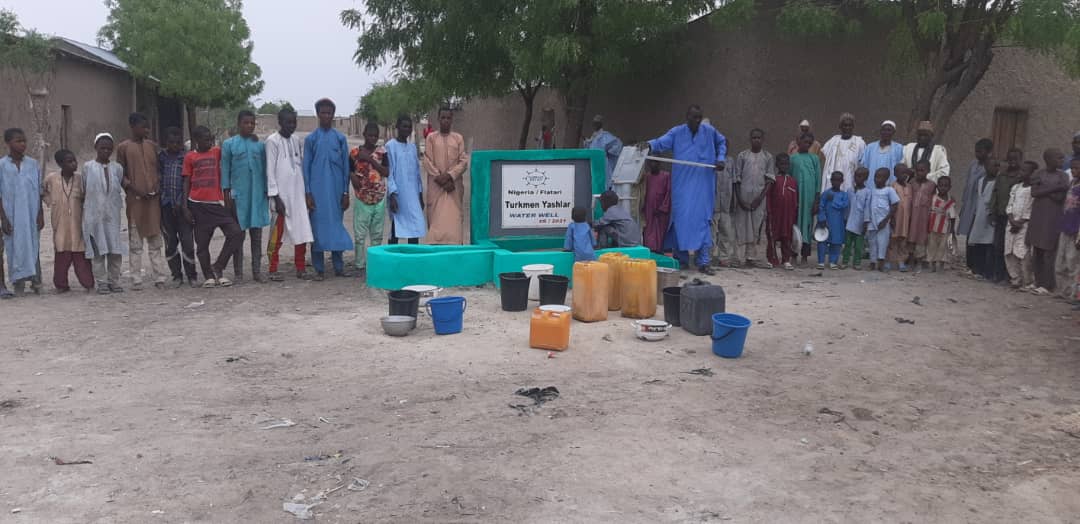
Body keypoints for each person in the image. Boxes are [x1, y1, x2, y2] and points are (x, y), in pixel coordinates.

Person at [644, 104, 727, 274]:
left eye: (699, 117)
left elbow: (722, 142)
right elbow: (661, 143)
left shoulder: (709, 131)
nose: (697, 121)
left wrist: (720, 158)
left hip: (703, 184)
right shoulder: (677, 132)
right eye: (694, 117)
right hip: (682, 185)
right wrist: (648, 145)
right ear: (687, 117)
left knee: (703, 221)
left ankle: (703, 262)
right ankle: (681, 259)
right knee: (680, 221)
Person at [182, 126, 242, 288]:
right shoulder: (190, 157)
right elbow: (186, 182)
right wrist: (185, 207)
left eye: (211, 139)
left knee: (236, 233)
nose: (210, 142)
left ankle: (218, 266)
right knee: (202, 244)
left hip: (217, 203)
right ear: (196, 141)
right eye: (206, 139)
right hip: (197, 204)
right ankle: (208, 275)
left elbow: (230, 156)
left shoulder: (216, 152)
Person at [303, 98, 354, 280]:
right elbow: (306, 168)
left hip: (336, 192)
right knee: (317, 229)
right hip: (317, 193)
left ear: (333, 115)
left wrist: (345, 192)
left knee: (336, 227)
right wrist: (308, 193)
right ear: (318, 114)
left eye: (329, 113)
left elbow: (346, 168)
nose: (326, 116)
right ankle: (319, 269)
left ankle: (338, 266)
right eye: (323, 113)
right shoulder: (311, 139)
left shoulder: (340, 139)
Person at [116, 112, 168, 290]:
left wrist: (158, 185)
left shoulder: (152, 146)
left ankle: (160, 277)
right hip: (135, 201)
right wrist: (134, 188)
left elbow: (159, 170)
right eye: (143, 127)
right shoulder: (123, 148)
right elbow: (121, 174)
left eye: (148, 127)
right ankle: (136, 278)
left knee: (155, 241)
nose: (147, 130)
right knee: (135, 242)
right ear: (133, 127)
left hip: (153, 201)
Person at [221, 109, 270, 283]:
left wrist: (266, 192)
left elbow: (265, 170)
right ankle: (238, 273)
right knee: (238, 236)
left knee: (257, 236)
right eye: (246, 123)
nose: (249, 126)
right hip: (238, 197)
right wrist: (226, 194)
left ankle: (257, 271)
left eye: (252, 123)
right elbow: (225, 170)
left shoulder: (260, 146)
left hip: (257, 196)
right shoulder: (229, 144)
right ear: (238, 124)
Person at [266, 107, 314, 281]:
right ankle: (272, 269)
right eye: (288, 122)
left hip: (297, 193)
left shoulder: (296, 139)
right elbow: (270, 170)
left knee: (302, 231)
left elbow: (299, 165)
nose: (292, 126)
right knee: (276, 234)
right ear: (280, 122)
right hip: (281, 196)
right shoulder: (272, 141)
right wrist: (275, 197)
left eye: (294, 122)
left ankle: (300, 267)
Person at [42, 149, 93, 293]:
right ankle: (61, 285)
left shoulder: (80, 179)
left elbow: (87, 196)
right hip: (60, 223)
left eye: (74, 160)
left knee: (80, 254)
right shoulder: (52, 178)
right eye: (69, 162)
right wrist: (50, 201)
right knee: (61, 254)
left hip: (78, 224)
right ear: (60, 164)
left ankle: (88, 283)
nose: (74, 164)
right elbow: (42, 191)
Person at [0, 128, 43, 297]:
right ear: (8, 143)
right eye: (18, 141)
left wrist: (40, 213)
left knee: (33, 244)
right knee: (14, 246)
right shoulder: (2, 166)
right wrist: (4, 218)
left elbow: (38, 191)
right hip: (12, 215)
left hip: (31, 213)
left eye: (24, 140)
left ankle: (36, 281)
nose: (22, 144)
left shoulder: (33, 164)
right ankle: (18, 281)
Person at [82, 133, 127, 294]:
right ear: (96, 148)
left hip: (113, 216)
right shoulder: (88, 167)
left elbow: (119, 185)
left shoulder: (117, 168)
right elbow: (84, 189)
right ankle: (101, 283)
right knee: (98, 251)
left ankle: (114, 281)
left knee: (115, 250)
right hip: (94, 216)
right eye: (102, 148)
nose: (106, 151)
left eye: (109, 149)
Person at [158, 127, 197, 287]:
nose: (174, 145)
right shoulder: (161, 158)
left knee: (187, 242)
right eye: (171, 142)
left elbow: (189, 182)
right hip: (166, 206)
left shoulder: (186, 157)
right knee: (170, 242)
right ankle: (176, 274)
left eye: (178, 142)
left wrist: (182, 203)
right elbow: (159, 179)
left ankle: (191, 275)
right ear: (166, 142)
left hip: (183, 207)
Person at [423, 107, 469, 244]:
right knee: (435, 225)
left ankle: (455, 251)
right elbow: (427, 161)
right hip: (436, 187)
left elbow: (463, 161)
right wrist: (442, 180)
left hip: (453, 188)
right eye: (443, 117)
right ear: (438, 119)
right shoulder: (431, 138)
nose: (445, 121)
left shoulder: (458, 138)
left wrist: (450, 175)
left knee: (454, 225)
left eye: (448, 118)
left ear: (452, 120)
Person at [1026, 149, 1069, 292]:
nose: (1062, 161)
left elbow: (1059, 197)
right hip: (1038, 216)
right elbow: (1034, 192)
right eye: (1059, 158)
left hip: (1053, 218)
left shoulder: (1063, 176)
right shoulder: (1038, 173)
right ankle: (1037, 282)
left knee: (1049, 251)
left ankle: (1047, 284)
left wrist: (1043, 188)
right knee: (1037, 250)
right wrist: (1056, 187)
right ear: (1048, 159)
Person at [732, 129, 775, 268]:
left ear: (763, 140)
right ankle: (739, 258)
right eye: (754, 138)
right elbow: (736, 179)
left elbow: (769, 180)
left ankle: (751, 258)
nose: (756, 140)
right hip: (743, 197)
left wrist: (760, 199)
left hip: (759, 199)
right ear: (750, 139)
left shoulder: (768, 157)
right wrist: (740, 199)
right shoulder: (742, 156)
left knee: (756, 227)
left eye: (759, 138)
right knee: (741, 226)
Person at [349, 122, 388, 274]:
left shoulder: (382, 153)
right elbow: (348, 169)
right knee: (360, 234)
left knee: (377, 234)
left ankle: (375, 263)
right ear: (364, 135)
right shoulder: (355, 153)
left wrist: (370, 160)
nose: (372, 138)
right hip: (362, 198)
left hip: (379, 198)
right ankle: (359, 264)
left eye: (375, 136)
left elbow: (386, 172)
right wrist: (352, 176)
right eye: (370, 135)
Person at [386, 115, 427, 246]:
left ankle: (413, 255)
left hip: (413, 194)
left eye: (409, 127)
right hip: (398, 194)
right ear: (397, 127)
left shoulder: (412, 147)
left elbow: (417, 174)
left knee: (416, 225)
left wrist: (420, 195)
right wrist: (392, 195)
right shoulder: (390, 146)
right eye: (404, 126)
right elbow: (389, 172)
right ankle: (392, 254)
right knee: (397, 224)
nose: (407, 129)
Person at [958, 139, 993, 274]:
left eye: (980, 151)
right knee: (969, 233)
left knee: (979, 234)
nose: (977, 154)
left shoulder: (990, 167)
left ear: (989, 152)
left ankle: (979, 266)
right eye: (976, 151)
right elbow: (968, 184)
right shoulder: (973, 165)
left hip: (980, 206)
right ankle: (970, 264)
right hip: (970, 204)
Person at [989, 148, 1024, 283]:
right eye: (1010, 159)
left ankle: (1009, 275)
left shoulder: (1022, 177)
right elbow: (995, 194)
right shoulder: (1001, 176)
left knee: (1010, 248)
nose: (1012, 161)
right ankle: (997, 273)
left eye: (1016, 158)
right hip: (1001, 215)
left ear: (1021, 159)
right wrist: (992, 211)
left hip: (1015, 219)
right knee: (998, 245)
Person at [791, 133, 822, 265]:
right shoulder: (793, 158)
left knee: (807, 227)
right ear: (798, 141)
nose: (807, 145)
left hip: (809, 199)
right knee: (795, 226)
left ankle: (804, 256)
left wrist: (816, 200)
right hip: (796, 198)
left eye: (810, 143)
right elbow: (789, 177)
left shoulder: (814, 158)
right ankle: (793, 255)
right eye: (805, 142)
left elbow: (818, 180)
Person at [1005, 163, 1036, 288]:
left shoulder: (1033, 190)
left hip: (1024, 225)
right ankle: (1015, 278)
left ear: (1032, 174)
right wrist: (1012, 220)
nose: (1021, 173)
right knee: (1009, 250)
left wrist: (1020, 223)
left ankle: (1026, 280)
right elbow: (1010, 204)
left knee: (1022, 251)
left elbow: (1031, 209)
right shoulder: (1016, 187)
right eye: (1021, 170)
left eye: (1025, 171)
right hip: (1011, 223)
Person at [967, 158, 999, 279]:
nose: (996, 168)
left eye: (997, 166)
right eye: (993, 165)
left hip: (990, 216)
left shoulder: (997, 182)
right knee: (978, 243)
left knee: (989, 244)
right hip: (979, 214)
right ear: (986, 167)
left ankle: (987, 271)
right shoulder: (980, 181)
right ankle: (977, 269)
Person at [766, 153, 798, 270]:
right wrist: (769, 211)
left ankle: (786, 260)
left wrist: (794, 215)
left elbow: (795, 200)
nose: (784, 166)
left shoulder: (793, 181)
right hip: (775, 215)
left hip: (788, 216)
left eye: (786, 164)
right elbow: (768, 197)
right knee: (772, 236)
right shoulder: (773, 180)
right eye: (782, 164)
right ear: (777, 165)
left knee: (787, 237)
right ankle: (772, 259)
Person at [1054, 157, 1080, 299]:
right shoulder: (1071, 183)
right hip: (1065, 226)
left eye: (1077, 168)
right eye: (1072, 168)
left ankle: (1073, 293)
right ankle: (1062, 290)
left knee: (1072, 262)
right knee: (1060, 261)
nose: (1074, 170)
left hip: (1075, 229)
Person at [821, 113, 866, 192]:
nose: (847, 128)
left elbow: (863, 164)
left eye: (850, 125)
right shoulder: (833, 141)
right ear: (840, 126)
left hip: (851, 181)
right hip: (833, 183)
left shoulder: (859, 143)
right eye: (845, 125)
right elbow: (823, 157)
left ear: (853, 127)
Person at [866, 168, 900, 271]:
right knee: (872, 242)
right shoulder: (872, 190)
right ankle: (872, 262)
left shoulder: (889, 190)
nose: (877, 179)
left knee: (882, 242)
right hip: (872, 221)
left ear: (886, 179)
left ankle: (881, 263)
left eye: (880, 177)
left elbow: (895, 205)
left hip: (883, 222)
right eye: (876, 177)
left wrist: (886, 220)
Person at [816, 171, 850, 270]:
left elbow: (844, 205)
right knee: (822, 241)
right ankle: (821, 262)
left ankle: (833, 261)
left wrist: (833, 200)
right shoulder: (826, 193)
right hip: (825, 222)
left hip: (838, 224)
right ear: (831, 181)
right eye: (834, 180)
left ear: (842, 181)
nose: (836, 182)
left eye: (838, 180)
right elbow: (821, 207)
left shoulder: (844, 195)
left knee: (836, 242)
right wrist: (822, 218)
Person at [908, 160, 937, 272]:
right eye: (917, 170)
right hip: (912, 215)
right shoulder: (912, 183)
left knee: (921, 237)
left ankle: (919, 261)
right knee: (911, 237)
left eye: (922, 170)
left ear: (928, 171)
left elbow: (934, 200)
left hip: (924, 216)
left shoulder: (932, 185)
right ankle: (911, 260)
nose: (919, 173)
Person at [927, 175, 958, 273]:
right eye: (941, 185)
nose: (943, 188)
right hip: (932, 227)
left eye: (946, 186)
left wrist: (952, 230)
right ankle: (931, 263)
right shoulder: (933, 198)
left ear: (950, 187)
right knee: (932, 246)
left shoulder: (950, 202)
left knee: (943, 247)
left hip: (945, 229)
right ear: (937, 187)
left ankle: (941, 264)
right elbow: (928, 213)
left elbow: (952, 217)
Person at [859, 120, 905, 186]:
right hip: (871, 184)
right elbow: (864, 166)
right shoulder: (870, 147)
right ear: (880, 131)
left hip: (890, 185)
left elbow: (900, 168)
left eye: (889, 130)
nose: (886, 132)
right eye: (884, 130)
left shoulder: (899, 148)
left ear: (894, 132)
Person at [584, 115, 623, 189]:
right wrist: (587, 143)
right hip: (593, 164)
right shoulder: (593, 137)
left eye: (597, 123)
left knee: (604, 185)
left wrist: (608, 152)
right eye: (594, 123)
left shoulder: (605, 136)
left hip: (602, 164)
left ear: (600, 124)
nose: (595, 125)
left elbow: (618, 144)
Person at [842, 167, 871, 270]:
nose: (857, 178)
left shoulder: (867, 192)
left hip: (860, 223)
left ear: (866, 178)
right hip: (849, 222)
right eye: (856, 176)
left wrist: (866, 222)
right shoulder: (850, 190)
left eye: (860, 176)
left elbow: (867, 208)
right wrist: (845, 219)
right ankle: (845, 261)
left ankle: (857, 262)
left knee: (858, 246)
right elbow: (847, 206)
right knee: (847, 244)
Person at [640, 160, 671, 253]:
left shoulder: (666, 176)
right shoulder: (647, 177)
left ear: (659, 164)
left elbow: (668, 193)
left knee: (660, 232)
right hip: (648, 209)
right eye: (651, 163)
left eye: (655, 162)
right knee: (648, 230)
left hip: (661, 210)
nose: (653, 165)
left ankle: (659, 250)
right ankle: (649, 250)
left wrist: (663, 208)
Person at [712, 153, 736, 267]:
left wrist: (733, 201)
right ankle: (707, 257)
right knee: (710, 232)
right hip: (712, 204)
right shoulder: (711, 159)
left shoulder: (730, 161)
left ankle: (724, 257)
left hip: (726, 203)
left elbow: (734, 181)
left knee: (726, 232)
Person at [888, 164, 913, 271]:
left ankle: (901, 261)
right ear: (895, 174)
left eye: (905, 173)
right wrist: (891, 219)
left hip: (905, 220)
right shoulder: (892, 186)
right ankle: (890, 261)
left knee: (903, 240)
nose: (904, 175)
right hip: (895, 219)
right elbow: (890, 204)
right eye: (901, 173)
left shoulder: (909, 187)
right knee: (893, 240)